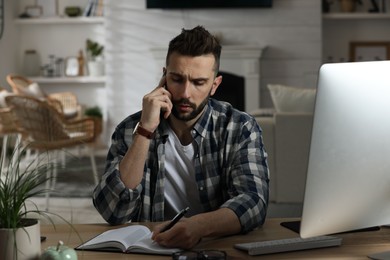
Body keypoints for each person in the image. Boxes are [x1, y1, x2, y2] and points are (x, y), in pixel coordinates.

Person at [93, 25, 269, 249]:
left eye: (198, 82)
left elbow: (254, 202)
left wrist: (197, 226)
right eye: (177, 79)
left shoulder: (240, 127)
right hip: (151, 250)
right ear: (164, 77)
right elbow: (113, 211)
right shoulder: (130, 129)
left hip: (214, 249)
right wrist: (146, 130)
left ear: (215, 85)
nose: (186, 93)